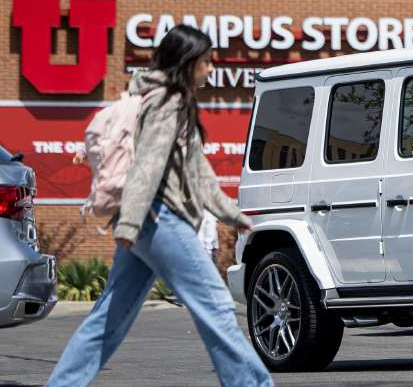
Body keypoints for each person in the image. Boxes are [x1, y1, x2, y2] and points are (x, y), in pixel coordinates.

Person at [46, 25, 272, 387]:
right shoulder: (169, 102)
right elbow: (146, 167)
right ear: (188, 62)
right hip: (158, 219)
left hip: (144, 222)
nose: (211, 69)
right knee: (215, 303)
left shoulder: (164, 99)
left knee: (109, 317)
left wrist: (233, 216)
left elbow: (199, 175)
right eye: (206, 61)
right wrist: (130, 225)